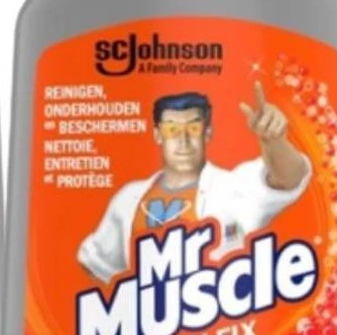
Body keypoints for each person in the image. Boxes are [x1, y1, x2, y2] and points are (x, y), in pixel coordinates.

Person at [78, 84, 311, 284]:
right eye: (172, 129)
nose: (183, 140)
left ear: (207, 133)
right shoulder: (129, 198)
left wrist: (274, 142)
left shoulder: (232, 188)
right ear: (157, 134)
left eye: (193, 128)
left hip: (219, 320)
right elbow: (96, 264)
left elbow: (288, 178)